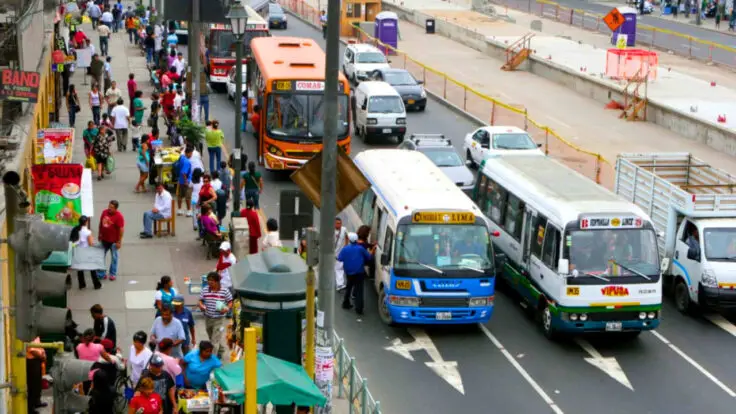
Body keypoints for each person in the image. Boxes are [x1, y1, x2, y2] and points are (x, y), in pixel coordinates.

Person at [338, 232, 376, 315]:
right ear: (356, 240)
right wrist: (373, 250)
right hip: (359, 272)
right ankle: (359, 308)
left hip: (349, 273)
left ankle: (346, 303)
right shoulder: (360, 249)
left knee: (349, 287)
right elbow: (369, 257)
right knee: (359, 290)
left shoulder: (345, 249)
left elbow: (340, 259)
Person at [198, 272, 233, 359]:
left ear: (217, 282)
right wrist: (201, 305)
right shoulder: (205, 290)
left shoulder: (224, 290)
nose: (209, 282)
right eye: (208, 280)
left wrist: (227, 309)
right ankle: (221, 350)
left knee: (214, 340)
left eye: (212, 281)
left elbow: (230, 301)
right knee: (212, 337)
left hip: (219, 319)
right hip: (208, 317)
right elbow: (200, 300)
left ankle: (212, 359)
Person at [69, 215, 102, 290]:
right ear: (86, 222)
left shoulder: (76, 229)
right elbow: (90, 243)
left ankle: (82, 285)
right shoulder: (87, 232)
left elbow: (73, 239)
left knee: (80, 269)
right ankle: (96, 284)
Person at [98, 200, 124, 281]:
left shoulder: (119, 216)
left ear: (116, 209)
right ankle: (101, 273)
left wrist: (119, 241)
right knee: (100, 256)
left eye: (111, 207)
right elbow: (100, 223)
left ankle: (112, 274)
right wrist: (100, 233)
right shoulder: (104, 212)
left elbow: (121, 230)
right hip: (104, 239)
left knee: (114, 258)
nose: (109, 208)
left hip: (114, 242)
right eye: (109, 206)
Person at [26, 337, 47, 412]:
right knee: (33, 385)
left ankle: (37, 402)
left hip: (38, 361)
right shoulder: (27, 335)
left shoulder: (36, 336)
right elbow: (32, 350)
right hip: (32, 362)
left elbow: (40, 347)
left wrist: (44, 355)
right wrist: (42, 357)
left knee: (38, 383)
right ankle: (30, 408)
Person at [176, 147, 194, 217]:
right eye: (191, 153)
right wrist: (186, 181)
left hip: (180, 180)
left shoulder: (182, 157)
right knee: (188, 197)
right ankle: (189, 211)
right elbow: (184, 172)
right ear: (188, 153)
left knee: (180, 196)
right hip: (186, 181)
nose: (191, 155)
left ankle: (179, 210)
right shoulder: (187, 161)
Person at [334, 217, 349, 291]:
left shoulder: (344, 229)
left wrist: (346, 246)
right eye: (337, 223)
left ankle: (339, 284)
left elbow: (347, 237)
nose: (339, 225)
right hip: (331, 253)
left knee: (339, 268)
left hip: (340, 253)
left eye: (340, 223)